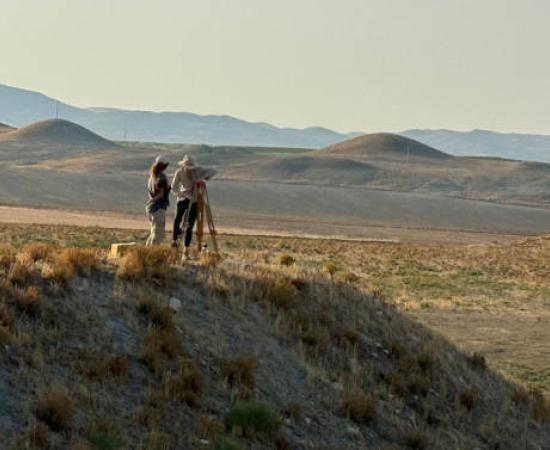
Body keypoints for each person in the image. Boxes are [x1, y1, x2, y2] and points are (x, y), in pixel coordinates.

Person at [171, 154, 217, 259]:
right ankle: (174, 241)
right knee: (178, 218)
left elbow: (214, 170)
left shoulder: (198, 170)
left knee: (189, 225)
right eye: (188, 168)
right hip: (183, 198)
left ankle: (185, 252)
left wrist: (203, 178)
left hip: (196, 199)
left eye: (191, 168)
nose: (190, 170)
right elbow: (173, 188)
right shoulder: (179, 172)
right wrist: (183, 194)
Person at [145, 155, 171, 246]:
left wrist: (150, 202)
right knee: (157, 235)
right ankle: (152, 255)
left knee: (153, 233)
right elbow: (161, 194)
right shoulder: (161, 177)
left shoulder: (152, 175)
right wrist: (153, 201)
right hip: (158, 207)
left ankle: (146, 252)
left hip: (151, 208)